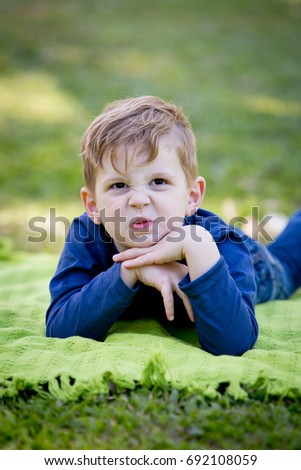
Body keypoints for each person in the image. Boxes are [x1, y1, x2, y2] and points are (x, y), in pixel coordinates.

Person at [46, 96, 301, 356]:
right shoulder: (86, 234)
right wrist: (130, 270)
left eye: (158, 181)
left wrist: (196, 248)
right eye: (119, 185)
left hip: (253, 266)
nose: (139, 200)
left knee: (290, 262)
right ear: (92, 206)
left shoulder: (219, 242)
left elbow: (233, 343)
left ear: (191, 196)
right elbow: (59, 328)